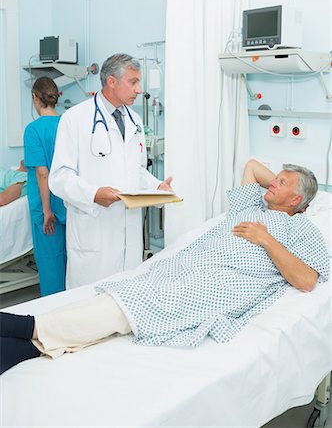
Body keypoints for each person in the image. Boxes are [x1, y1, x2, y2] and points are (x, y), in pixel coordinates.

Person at [0, 160, 329, 374]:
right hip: (182, 267)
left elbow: (306, 280)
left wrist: (266, 238)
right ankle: (19, 345)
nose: (272, 184)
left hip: (214, 285)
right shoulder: (250, 205)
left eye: (282, 184)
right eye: (278, 179)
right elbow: (253, 167)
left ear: (296, 201)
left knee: (127, 305)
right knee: (126, 293)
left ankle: (24, 327)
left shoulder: (301, 229)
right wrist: (283, 186)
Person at [48, 53, 172, 289]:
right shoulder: (75, 119)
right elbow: (59, 177)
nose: (139, 89)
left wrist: (157, 187)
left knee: (125, 305)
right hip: (94, 231)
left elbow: (136, 170)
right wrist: (93, 194)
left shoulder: (135, 120)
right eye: (133, 82)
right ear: (112, 81)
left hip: (129, 234)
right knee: (88, 309)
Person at [23, 77, 66, 297]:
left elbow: (42, 172)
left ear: (35, 98)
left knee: (51, 267)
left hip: (47, 209)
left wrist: (47, 210)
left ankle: (54, 318)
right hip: (70, 206)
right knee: (73, 264)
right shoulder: (69, 124)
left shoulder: (33, 130)